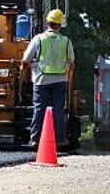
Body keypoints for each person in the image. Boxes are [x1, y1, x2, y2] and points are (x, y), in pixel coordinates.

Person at [22, 9, 75, 147]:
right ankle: (60, 140)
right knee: (58, 110)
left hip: (41, 79)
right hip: (60, 80)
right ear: (60, 24)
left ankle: (34, 140)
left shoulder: (38, 39)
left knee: (39, 109)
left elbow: (26, 59)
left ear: (47, 23)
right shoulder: (66, 41)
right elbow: (71, 61)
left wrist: (33, 65)